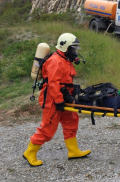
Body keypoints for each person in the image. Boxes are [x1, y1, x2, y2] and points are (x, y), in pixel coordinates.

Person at [23, 33, 91, 167]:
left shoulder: (65, 59)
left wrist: (68, 97)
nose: (75, 52)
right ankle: (29, 153)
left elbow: (65, 82)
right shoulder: (55, 61)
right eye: (73, 49)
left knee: (71, 121)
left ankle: (73, 151)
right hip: (52, 99)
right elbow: (53, 84)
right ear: (65, 47)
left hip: (63, 97)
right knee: (47, 128)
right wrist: (59, 101)